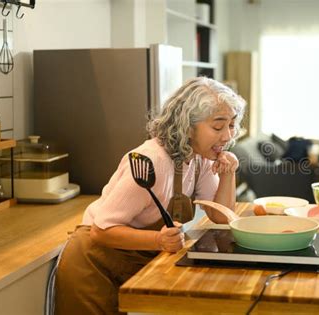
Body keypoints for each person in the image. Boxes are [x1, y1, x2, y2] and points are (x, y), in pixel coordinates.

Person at [53, 77, 246, 314]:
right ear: (187, 126)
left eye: (231, 125)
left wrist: (229, 173)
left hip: (134, 259)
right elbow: (101, 230)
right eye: (218, 126)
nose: (227, 136)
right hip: (94, 262)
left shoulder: (199, 158)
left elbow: (221, 217)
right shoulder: (151, 161)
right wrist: (158, 241)